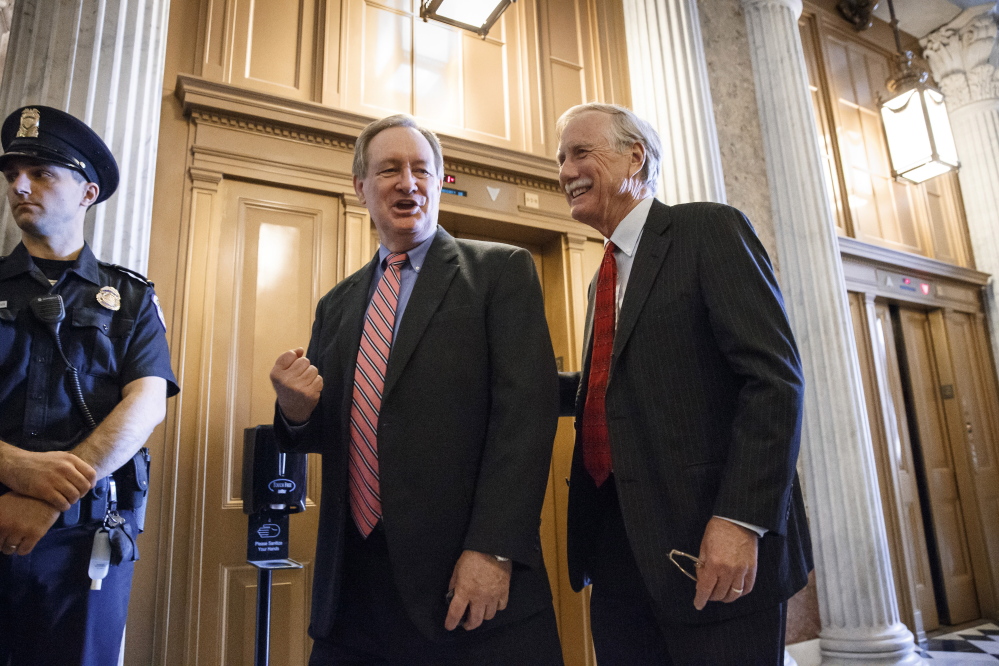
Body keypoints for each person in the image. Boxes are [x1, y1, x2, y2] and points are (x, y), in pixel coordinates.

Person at [269, 114, 563, 665]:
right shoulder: (336, 304)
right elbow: (331, 433)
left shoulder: (500, 273)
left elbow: (525, 419)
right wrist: (295, 411)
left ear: (439, 180)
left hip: (467, 587)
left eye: (421, 170)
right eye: (389, 170)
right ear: (361, 188)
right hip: (352, 593)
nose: (408, 182)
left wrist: (493, 549)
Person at [556, 102, 812, 665]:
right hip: (619, 551)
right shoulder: (604, 277)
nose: (565, 169)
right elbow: (618, 388)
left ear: (634, 157)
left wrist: (739, 520)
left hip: (707, 545)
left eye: (579, 152)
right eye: (560, 158)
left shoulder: (706, 229)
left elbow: (773, 380)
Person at [0, 106, 179, 665]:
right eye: (12, 174)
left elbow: (147, 402)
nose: (20, 185)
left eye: (43, 172)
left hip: (86, 541)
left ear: (87, 192)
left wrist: (53, 496)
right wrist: (15, 468)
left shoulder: (130, 298)